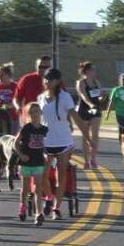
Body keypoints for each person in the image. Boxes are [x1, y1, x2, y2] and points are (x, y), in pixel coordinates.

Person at [37, 67, 81, 220]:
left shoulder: (65, 97)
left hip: (63, 141)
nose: (47, 82)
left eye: (51, 79)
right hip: (46, 141)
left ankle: (57, 207)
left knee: (60, 175)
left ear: (57, 81)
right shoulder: (41, 97)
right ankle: (49, 198)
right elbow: (38, 119)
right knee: (43, 175)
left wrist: (87, 136)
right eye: (46, 79)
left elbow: (74, 115)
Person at [15, 102, 50, 226]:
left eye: (37, 111)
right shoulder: (26, 128)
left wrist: (47, 155)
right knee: (25, 188)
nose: (35, 114)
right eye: (33, 112)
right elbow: (15, 143)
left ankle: (38, 213)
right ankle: (22, 207)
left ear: (40, 113)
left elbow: (44, 146)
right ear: (29, 114)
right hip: (26, 162)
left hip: (38, 161)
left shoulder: (44, 129)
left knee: (38, 188)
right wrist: (21, 155)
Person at [74, 61, 103, 169]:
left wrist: (101, 97)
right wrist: (90, 104)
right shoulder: (81, 82)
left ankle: (93, 158)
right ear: (87, 71)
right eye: (92, 69)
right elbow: (84, 96)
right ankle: (86, 160)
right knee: (86, 136)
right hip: (84, 109)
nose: (94, 71)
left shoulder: (96, 82)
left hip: (95, 109)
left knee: (95, 134)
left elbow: (99, 95)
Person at [13, 55, 51, 125]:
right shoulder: (27, 79)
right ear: (36, 67)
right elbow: (16, 98)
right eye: (40, 67)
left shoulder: (55, 81)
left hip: (48, 119)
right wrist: (18, 107)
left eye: (47, 67)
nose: (43, 69)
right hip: (29, 118)